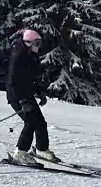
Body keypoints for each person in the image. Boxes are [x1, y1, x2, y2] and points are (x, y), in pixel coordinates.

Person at [6, 29, 60, 165]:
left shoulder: (31, 56)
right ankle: (20, 153)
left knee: (40, 122)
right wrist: (23, 100)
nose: (38, 45)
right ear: (28, 43)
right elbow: (13, 82)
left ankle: (41, 150)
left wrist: (40, 93)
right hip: (17, 96)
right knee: (30, 122)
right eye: (36, 42)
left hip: (27, 94)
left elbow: (32, 79)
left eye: (39, 42)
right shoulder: (18, 57)